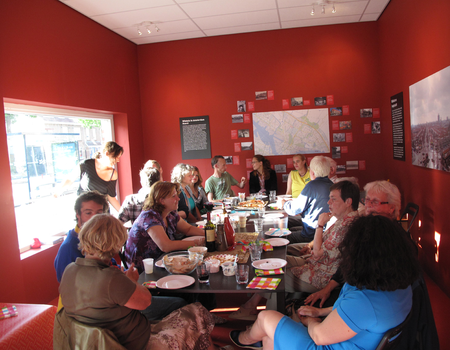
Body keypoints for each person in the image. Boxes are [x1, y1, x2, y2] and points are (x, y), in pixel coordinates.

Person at [229, 215, 420, 350]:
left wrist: (311, 320)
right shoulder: (401, 287)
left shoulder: (364, 300)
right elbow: (355, 315)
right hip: (351, 337)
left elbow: (319, 336)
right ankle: (256, 340)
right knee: (270, 335)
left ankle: (244, 339)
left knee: (265, 317)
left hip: (326, 343)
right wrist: (321, 311)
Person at [56, 214, 228, 350]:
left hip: (88, 342)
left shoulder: (70, 270)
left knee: (182, 308)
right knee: (196, 311)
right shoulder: (111, 279)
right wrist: (131, 282)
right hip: (135, 343)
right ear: (115, 242)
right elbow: (145, 301)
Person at [229, 181, 359, 320]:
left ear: (348, 202)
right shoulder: (344, 220)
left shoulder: (345, 227)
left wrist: (320, 225)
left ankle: (269, 324)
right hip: (317, 266)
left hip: (321, 276)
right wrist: (310, 246)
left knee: (275, 277)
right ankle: (253, 308)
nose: (328, 202)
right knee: (274, 263)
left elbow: (317, 254)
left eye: (333, 199)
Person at [304, 180, 402, 308]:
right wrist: (327, 290)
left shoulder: (396, 241)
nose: (369, 206)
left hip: (366, 303)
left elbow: (377, 294)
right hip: (347, 291)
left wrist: (327, 311)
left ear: (392, 208)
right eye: (367, 200)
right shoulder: (363, 229)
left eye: (375, 202)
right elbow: (346, 264)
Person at [125, 181, 205, 273]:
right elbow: (166, 246)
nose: (178, 199)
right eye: (173, 196)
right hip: (144, 269)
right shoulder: (149, 217)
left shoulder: (170, 213)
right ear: (161, 200)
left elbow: (188, 229)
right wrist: (198, 243)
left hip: (163, 261)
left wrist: (209, 234)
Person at [54, 191, 109, 282]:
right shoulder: (68, 247)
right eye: (88, 213)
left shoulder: (100, 237)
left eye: (99, 213)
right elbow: (67, 285)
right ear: (77, 214)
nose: (94, 218)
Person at [283, 156, 333, 243]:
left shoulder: (311, 186)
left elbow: (294, 210)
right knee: (289, 226)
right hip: (324, 232)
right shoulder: (333, 185)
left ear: (312, 172)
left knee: (282, 237)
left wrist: (284, 204)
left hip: (312, 234)